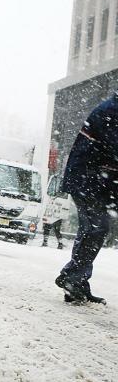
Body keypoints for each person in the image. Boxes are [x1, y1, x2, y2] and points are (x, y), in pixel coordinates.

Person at [55, 93, 118, 304]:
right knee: (96, 227)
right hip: (87, 179)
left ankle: (77, 281)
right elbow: (114, 149)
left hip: (93, 180)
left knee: (91, 228)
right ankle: (73, 277)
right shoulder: (112, 111)